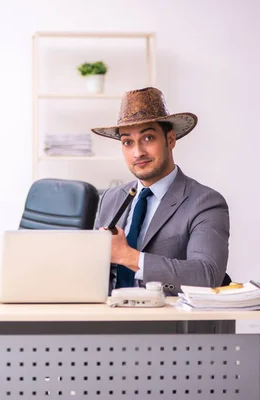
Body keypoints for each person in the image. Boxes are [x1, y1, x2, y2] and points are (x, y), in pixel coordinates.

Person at [92, 87, 230, 295]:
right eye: (128, 142)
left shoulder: (205, 202)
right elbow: (92, 272)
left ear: (171, 140)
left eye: (148, 138)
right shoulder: (110, 199)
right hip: (108, 318)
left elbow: (206, 275)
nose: (138, 152)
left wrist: (127, 256)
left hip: (167, 323)